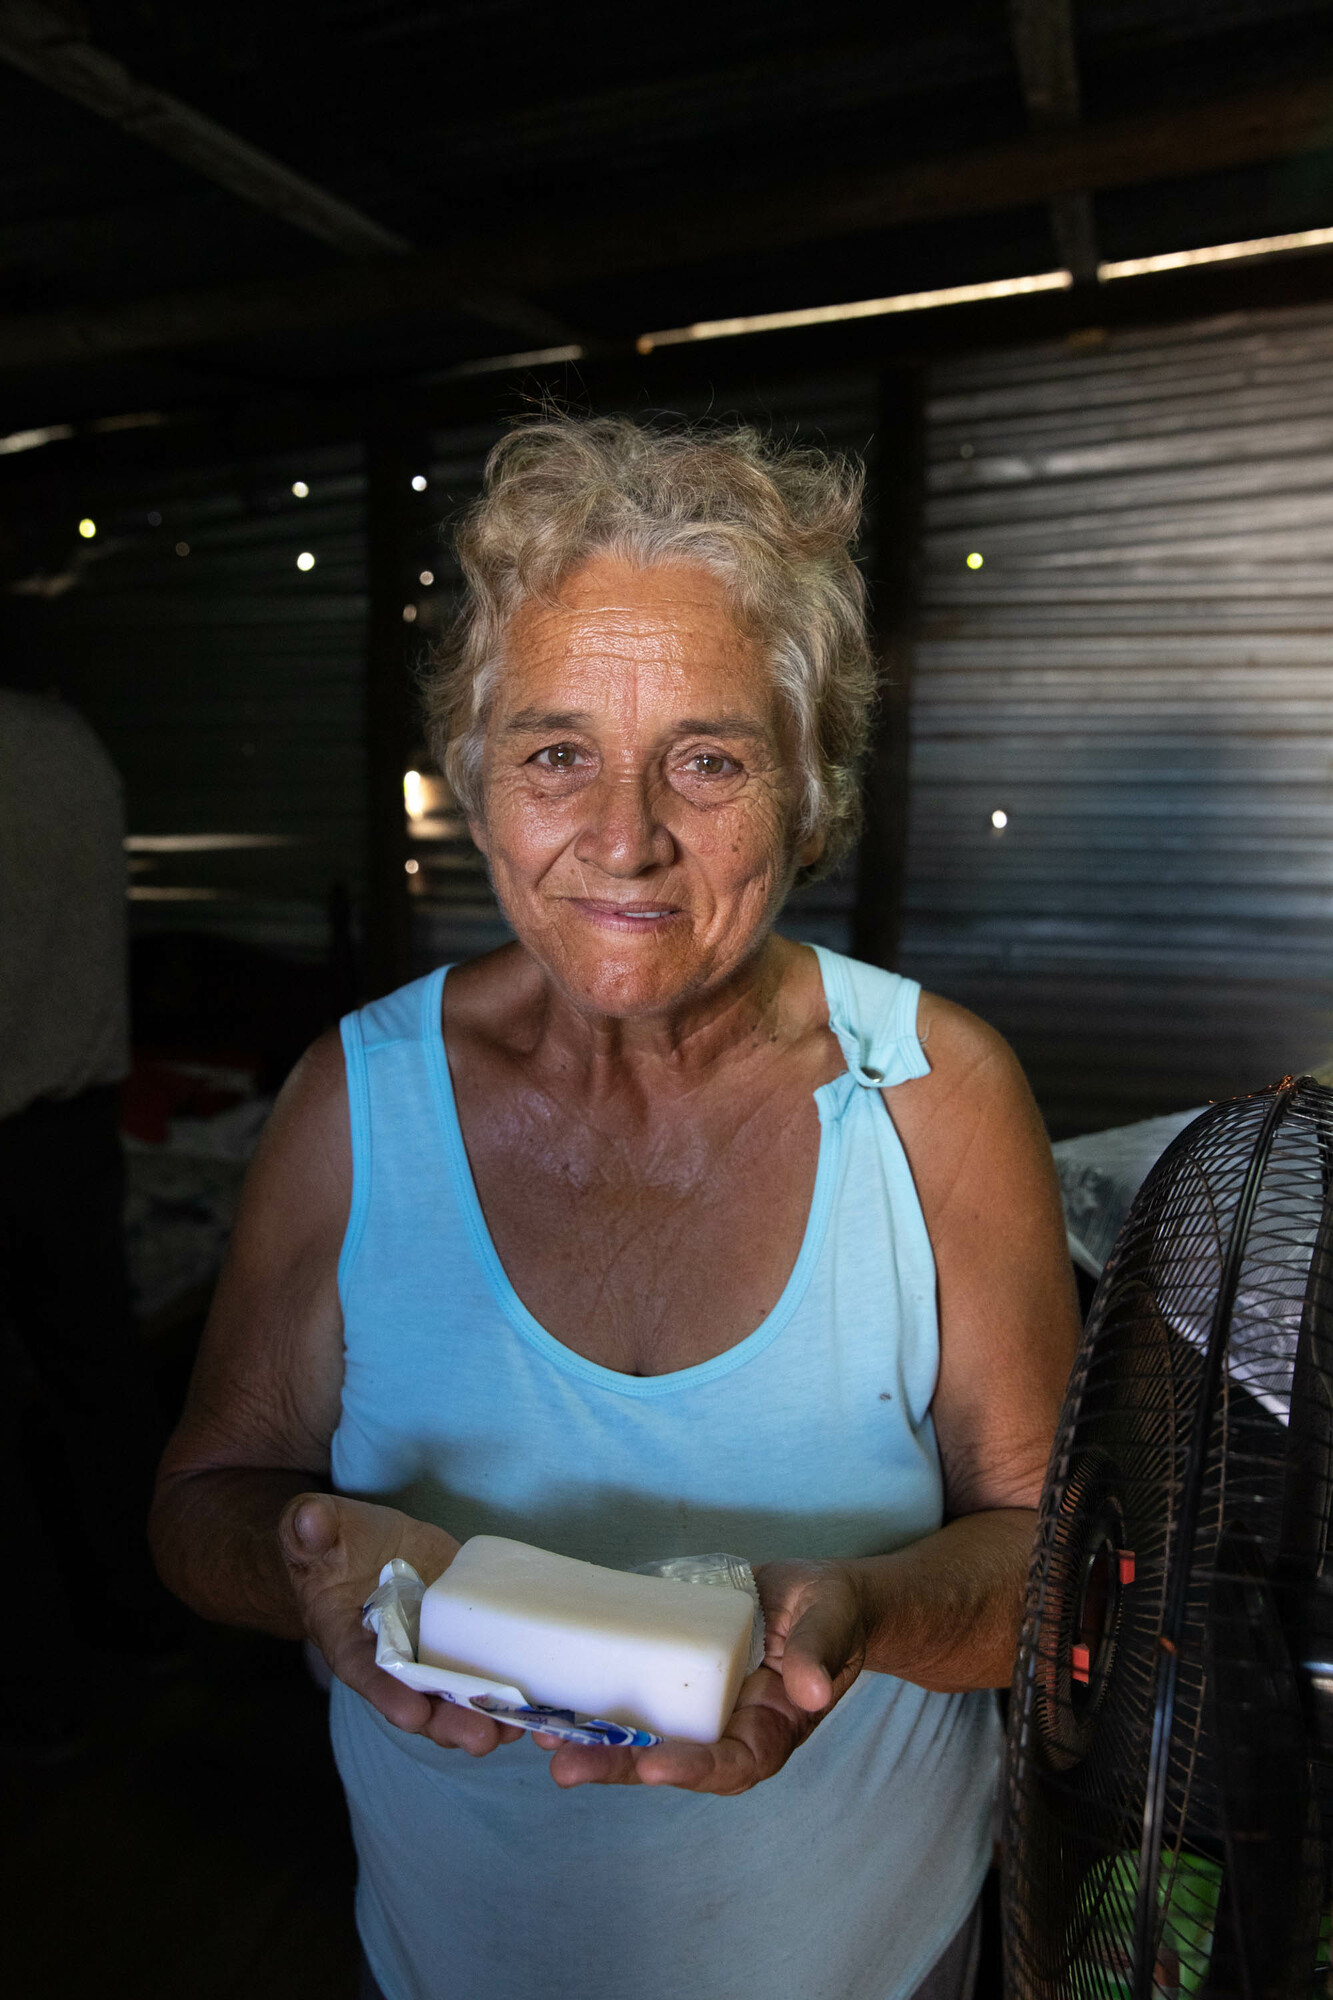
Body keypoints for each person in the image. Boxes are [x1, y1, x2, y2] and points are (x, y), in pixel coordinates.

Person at [149, 416, 1080, 2000]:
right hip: (459, 1956)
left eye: (706, 760)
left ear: (805, 780)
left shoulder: (934, 1099)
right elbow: (201, 1506)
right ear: (478, 776)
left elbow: (1052, 1571)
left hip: (869, 1953)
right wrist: (305, 1561)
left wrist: (855, 1619)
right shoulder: (356, 1106)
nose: (625, 838)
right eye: (557, 752)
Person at [0, 691, 180, 1756]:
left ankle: (35, 1690)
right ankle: (148, 1617)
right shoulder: (68, 738)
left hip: (36, 1113)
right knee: (100, 1379)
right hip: (70, 1128)